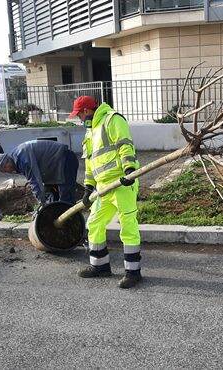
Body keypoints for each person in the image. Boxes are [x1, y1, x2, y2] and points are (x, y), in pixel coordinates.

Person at [70, 96, 142, 289]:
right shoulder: (90, 131)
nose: (78, 118)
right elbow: (90, 163)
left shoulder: (113, 119)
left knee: (128, 227)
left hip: (122, 185)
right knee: (94, 223)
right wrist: (88, 187)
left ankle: (133, 273)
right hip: (103, 188)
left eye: (78, 114)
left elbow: (124, 144)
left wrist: (129, 169)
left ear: (86, 110)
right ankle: (100, 266)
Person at [0, 139, 79, 205]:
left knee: (66, 198)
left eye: (5, 170)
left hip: (65, 160)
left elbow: (35, 181)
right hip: (55, 166)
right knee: (54, 196)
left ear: (6, 164)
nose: (9, 172)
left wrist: (42, 203)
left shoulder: (23, 159)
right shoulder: (16, 157)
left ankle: (70, 223)